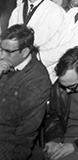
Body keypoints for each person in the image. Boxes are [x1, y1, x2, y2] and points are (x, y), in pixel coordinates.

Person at [0, 24, 51, 160]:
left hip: (13, 143)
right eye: (1, 49)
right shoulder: (7, 65)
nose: (2, 56)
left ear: (25, 52)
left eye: (8, 52)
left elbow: (9, 116)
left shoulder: (38, 78)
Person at [8, 0, 66, 75]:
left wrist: (31, 57)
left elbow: (57, 45)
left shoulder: (56, 12)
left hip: (44, 69)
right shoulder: (17, 11)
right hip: (16, 69)